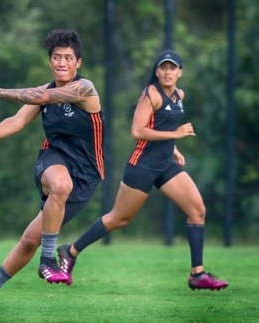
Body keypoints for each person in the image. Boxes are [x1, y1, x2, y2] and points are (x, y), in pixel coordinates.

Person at [0, 29, 104, 316]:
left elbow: (41, 95)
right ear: (50, 61)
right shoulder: (44, 93)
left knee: (30, 239)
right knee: (60, 184)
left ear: (78, 63)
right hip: (53, 160)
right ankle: (48, 261)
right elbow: (17, 121)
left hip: (86, 175)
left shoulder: (85, 89)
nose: (61, 62)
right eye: (56, 57)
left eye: (68, 58)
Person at [56, 50, 229, 291]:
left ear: (180, 72)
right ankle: (70, 251)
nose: (168, 72)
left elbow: (161, 125)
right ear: (157, 72)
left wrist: (174, 147)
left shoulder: (180, 94)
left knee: (197, 210)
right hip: (143, 165)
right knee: (119, 218)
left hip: (166, 163)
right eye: (163, 68)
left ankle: (197, 274)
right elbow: (138, 131)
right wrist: (175, 135)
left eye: (173, 68)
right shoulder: (151, 94)